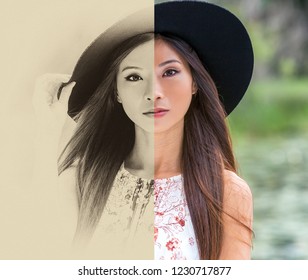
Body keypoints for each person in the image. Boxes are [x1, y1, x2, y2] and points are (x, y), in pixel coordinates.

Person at [33, 1, 253, 260]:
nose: (153, 93)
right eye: (134, 77)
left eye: (169, 72)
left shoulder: (226, 192)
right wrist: (49, 131)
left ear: (195, 82)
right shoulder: (81, 181)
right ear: (116, 92)